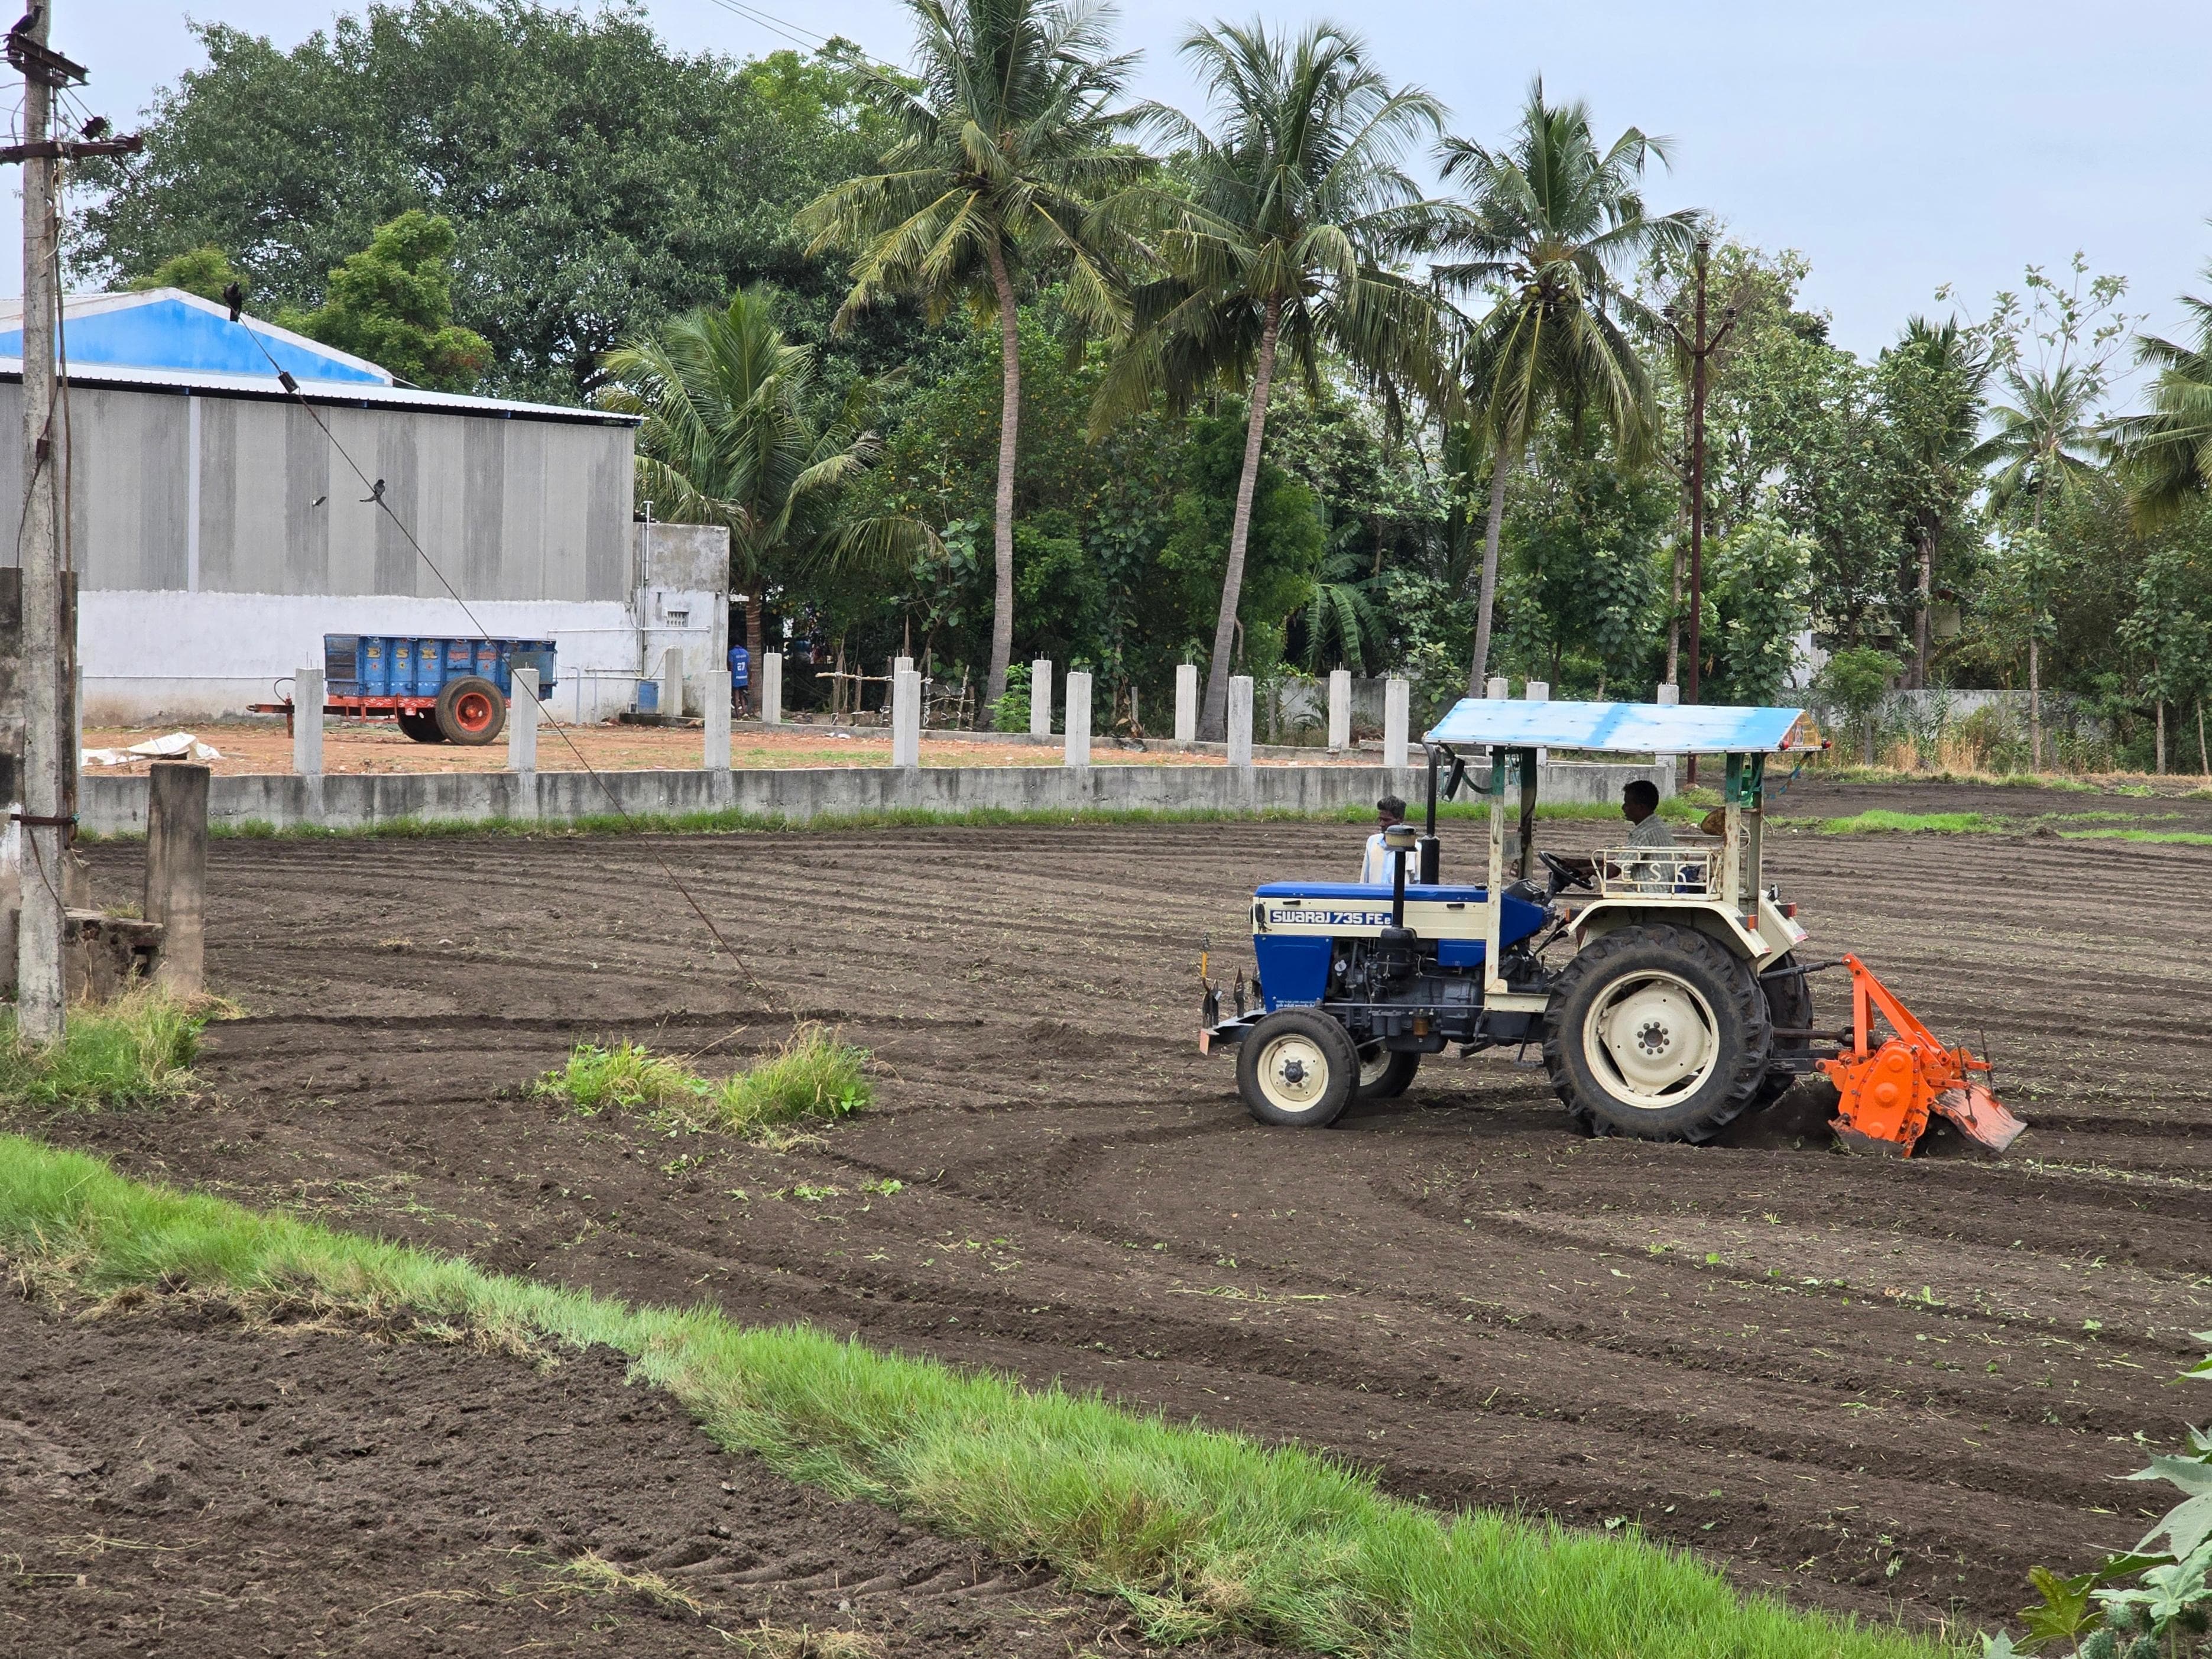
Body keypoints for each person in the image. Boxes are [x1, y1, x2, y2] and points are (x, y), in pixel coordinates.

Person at [1360, 795, 1414, 885]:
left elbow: (1419, 884)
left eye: (1386, 820)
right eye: (1380, 819)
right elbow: (1365, 879)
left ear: (1400, 819)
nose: (1381, 824)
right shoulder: (1372, 842)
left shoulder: (1415, 849)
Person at [1621, 778, 1672, 847]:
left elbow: (1627, 855)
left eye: (1627, 804)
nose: (1623, 808)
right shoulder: (1658, 826)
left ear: (1641, 808)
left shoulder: (1643, 834)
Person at [728, 641, 750, 717]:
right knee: (742, 695)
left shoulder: (732, 653)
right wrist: (750, 678)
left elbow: (731, 666)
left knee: (736, 697)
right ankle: (745, 713)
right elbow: (748, 667)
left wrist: (730, 677)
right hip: (744, 677)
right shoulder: (746, 653)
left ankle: (738, 716)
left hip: (736, 678)